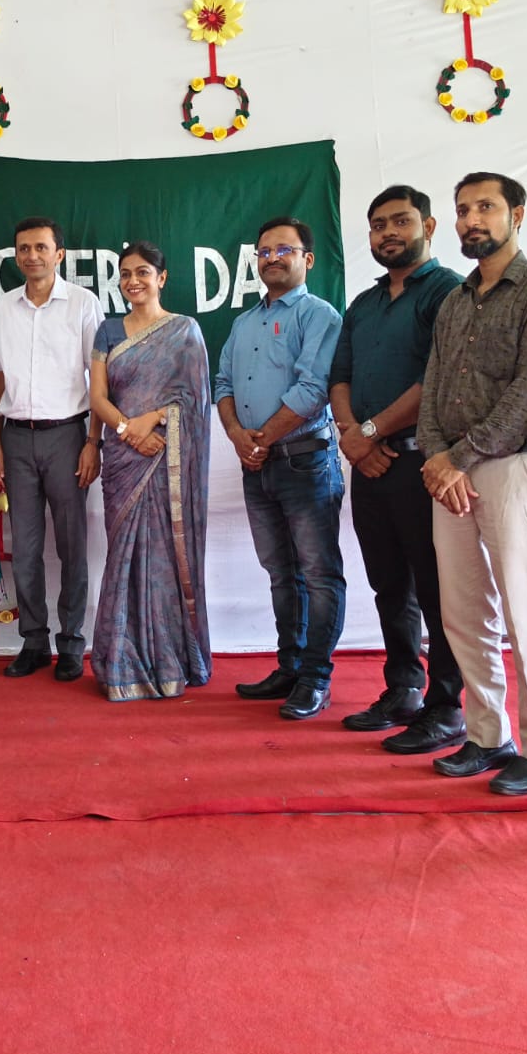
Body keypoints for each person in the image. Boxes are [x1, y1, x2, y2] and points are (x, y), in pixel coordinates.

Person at [417, 172, 527, 796]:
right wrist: (437, 456)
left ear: (518, 214)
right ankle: (486, 735)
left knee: (526, 611)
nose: (471, 220)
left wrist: (458, 458)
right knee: (463, 612)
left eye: (485, 207)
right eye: (463, 210)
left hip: (514, 468)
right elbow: (433, 387)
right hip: (450, 474)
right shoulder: (455, 301)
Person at [328, 186, 467, 754]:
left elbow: (437, 378)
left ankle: (447, 706)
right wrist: (354, 439)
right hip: (371, 466)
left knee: (437, 589)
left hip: (423, 463)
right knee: (389, 584)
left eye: (400, 221)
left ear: (428, 227)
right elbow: (340, 377)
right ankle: (403, 689)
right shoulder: (363, 304)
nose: (388, 232)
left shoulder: (447, 291)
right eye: (378, 224)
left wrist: (367, 434)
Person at [217, 217, 346, 721]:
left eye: (284, 250)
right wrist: (237, 435)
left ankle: (316, 678)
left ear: (307, 259)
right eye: (264, 251)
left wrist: (262, 439)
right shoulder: (243, 322)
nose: (272, 258)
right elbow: (223, 384)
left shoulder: (319, 316)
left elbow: (313, 389)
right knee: (280, 573)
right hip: (258, 466)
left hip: (305, 462)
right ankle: (289, 667)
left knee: (318, 573)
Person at [0, 216, 103, 682]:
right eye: (24, 248)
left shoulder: (83, 304)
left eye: (41, 247)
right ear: (16, 255)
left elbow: (101, 378)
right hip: (16, 439)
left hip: (68, 436)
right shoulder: (2, 308)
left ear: (59, 254)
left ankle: (71, 642)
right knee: (25, 549)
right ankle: (33, 641)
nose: (32, 256)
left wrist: (93, 442)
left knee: (72, 546)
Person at [86, 241, 212, 700]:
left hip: (165, 458)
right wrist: (128, 430)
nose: (133, 281)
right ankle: (121, 663)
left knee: (162, 560)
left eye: (142, 272)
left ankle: (169, 660)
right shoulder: (106, 331)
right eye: (125, 274)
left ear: (161, 278)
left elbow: (195, 401)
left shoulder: (184, 331)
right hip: (124, 460)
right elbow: (97, 398)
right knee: (122, 555)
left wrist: (153, 419)